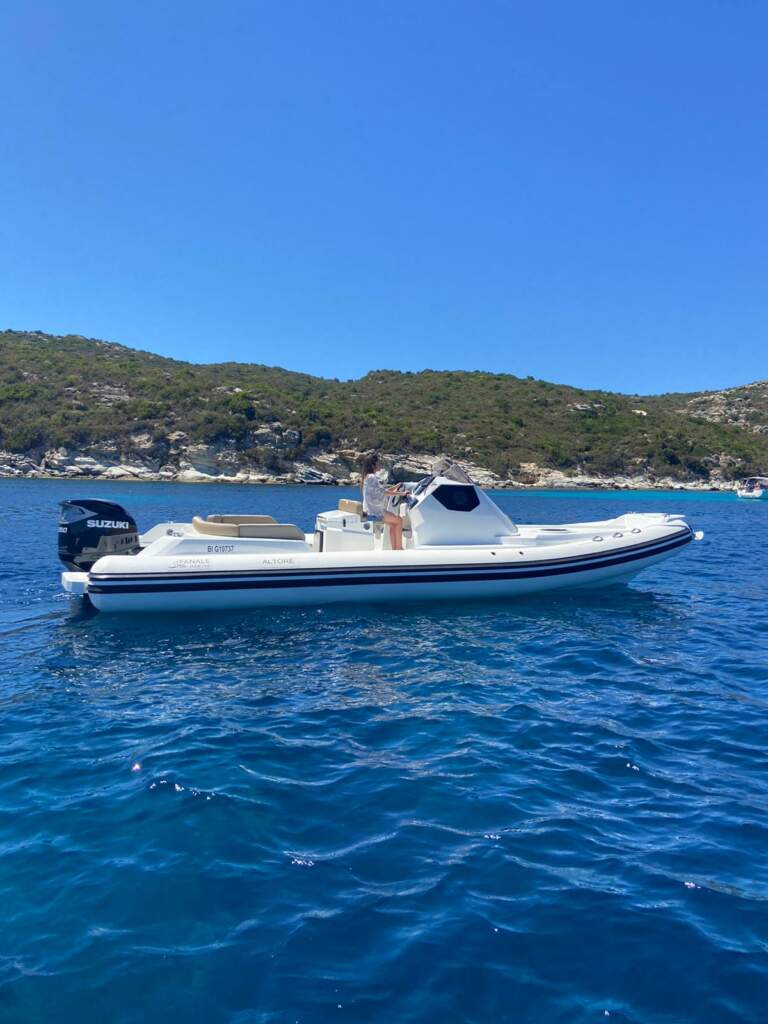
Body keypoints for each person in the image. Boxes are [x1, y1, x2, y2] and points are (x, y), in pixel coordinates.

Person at [359, 453, 404, 551]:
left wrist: (396, 487)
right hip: (374, 512)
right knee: (399, 521)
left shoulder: (367, 477)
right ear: (373, 465)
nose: (379, 464)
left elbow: (381, 491)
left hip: (369, 510)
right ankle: (399, 549)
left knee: (393, 524)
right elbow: (384, 493)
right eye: (378, 462)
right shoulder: (372, 477)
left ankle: (395, 549)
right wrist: (402, 493)